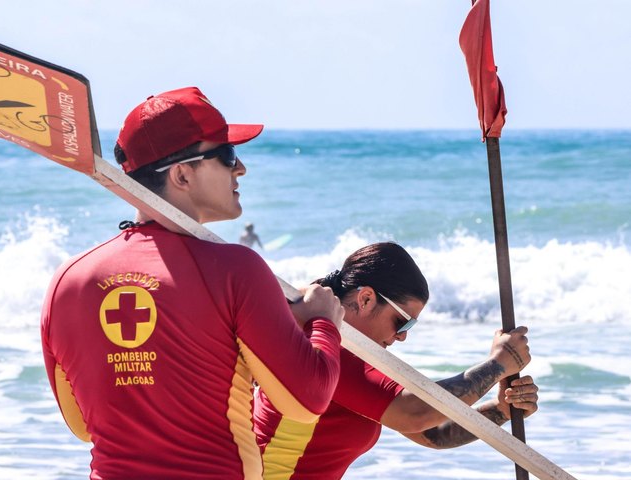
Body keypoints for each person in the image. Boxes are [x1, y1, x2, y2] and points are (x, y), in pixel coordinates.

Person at [40, 86, 345, 479]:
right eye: (227, 155)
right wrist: (322, 322)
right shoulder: (236, 269)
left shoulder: (68, 280)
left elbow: (83, 423)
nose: (241, 169)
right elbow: (308, 401)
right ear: (181, 174)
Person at [254, 242, 539, 480]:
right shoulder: (326, 347)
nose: (402, 337)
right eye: (402, 322)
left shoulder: (352, 353)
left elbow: (432, 433)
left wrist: (500, 410)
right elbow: (414, 412)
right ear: (366, 299)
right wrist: (498, 364)